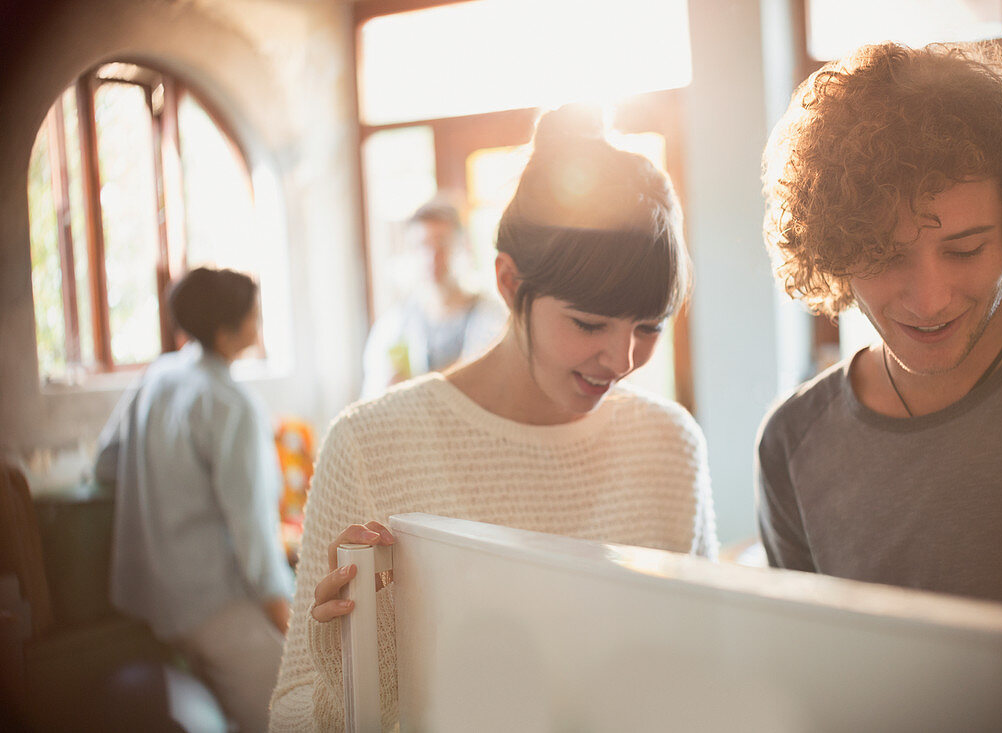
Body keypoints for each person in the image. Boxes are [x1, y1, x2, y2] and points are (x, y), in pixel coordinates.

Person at [270, 105, 718, 731]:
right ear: (509, 283)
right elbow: (290, 715)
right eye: (589, 323)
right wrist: (344, 682)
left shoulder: (671, 445)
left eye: (648, 328)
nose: (621, 359)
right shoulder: (371, 444)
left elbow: (705, 669)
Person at [755, 42, 1002, 610]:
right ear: (837, 251)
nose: (930, 301)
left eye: (966, 250)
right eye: (886, 257)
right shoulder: (792, 443)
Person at [93, 267, 295, 733]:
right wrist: (283, 613)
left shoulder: (158, 376)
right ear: (226, 333)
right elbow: (250, 527)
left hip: (154, 600)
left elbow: (105, 464)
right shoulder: (230, 403)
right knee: (290, 712)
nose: (258, 323)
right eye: (253, 317)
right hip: (214, 603)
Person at [360, 199, 507, 400]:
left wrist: (412, 386)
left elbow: (486, 382)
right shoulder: (394, 325)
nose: (432, 255)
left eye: (441, 243)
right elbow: (375, 394)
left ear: (462, 245)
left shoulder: (491, 317)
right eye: (423, 245)